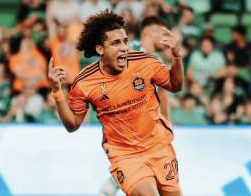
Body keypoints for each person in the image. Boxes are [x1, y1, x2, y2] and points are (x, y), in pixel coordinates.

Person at [48, 10, 183, 196]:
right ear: (100, 49)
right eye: (116, 43)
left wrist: (177, 56)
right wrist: (57, 92)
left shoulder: (146, 62)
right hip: (125, 155)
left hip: (158, 146)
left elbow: (174, 86)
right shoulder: (85, 82)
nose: (124, 48)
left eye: (125, 42)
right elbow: (72, 125)